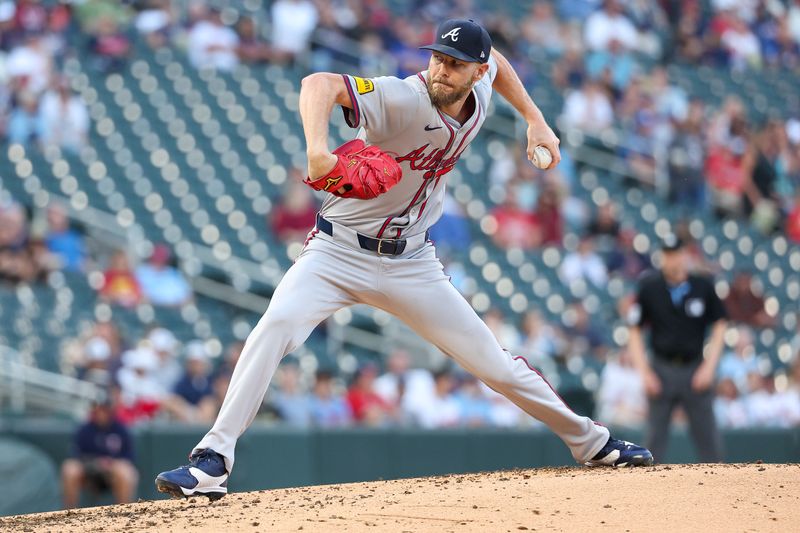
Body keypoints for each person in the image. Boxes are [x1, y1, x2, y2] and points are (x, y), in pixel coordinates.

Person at [156, 18, 653, 501]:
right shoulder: (402, 96)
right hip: (336, 251)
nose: (441, 69)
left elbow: (497, 61)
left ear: (474, 74)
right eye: (437, 57)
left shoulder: (480, 94)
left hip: (413, 262)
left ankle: (593, 442)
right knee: (274, 326)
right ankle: (212, 460)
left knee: (495, 366)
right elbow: (319, 82)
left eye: (455, 64)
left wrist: (535, 118)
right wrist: (316, 149)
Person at [627, 235, 728, 463]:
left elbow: (721, 324)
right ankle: (646, 493)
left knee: (709, 439)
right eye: (667, 255)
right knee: (654, 440)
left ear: (685, 255)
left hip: (695, 368)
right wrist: (645, 373)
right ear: (662, 257)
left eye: (676, 253)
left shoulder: (703, 285)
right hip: (661, 368)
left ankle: (719, 490)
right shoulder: (649, 287)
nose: (672, 260)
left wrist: (709, 368)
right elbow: (634, 330)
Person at [61, 399, 138, 508]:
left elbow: (129, 456)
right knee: (70, 468)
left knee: (126, 472)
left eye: (104, 410)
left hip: (112, 471)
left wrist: (111, 463)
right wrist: (94, 462)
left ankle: (125, 511)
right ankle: (68, 512)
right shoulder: (85, 429)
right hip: (89, 470)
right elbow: (75, 454)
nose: (101, 413)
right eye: (98, 410)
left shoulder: (120, 429)